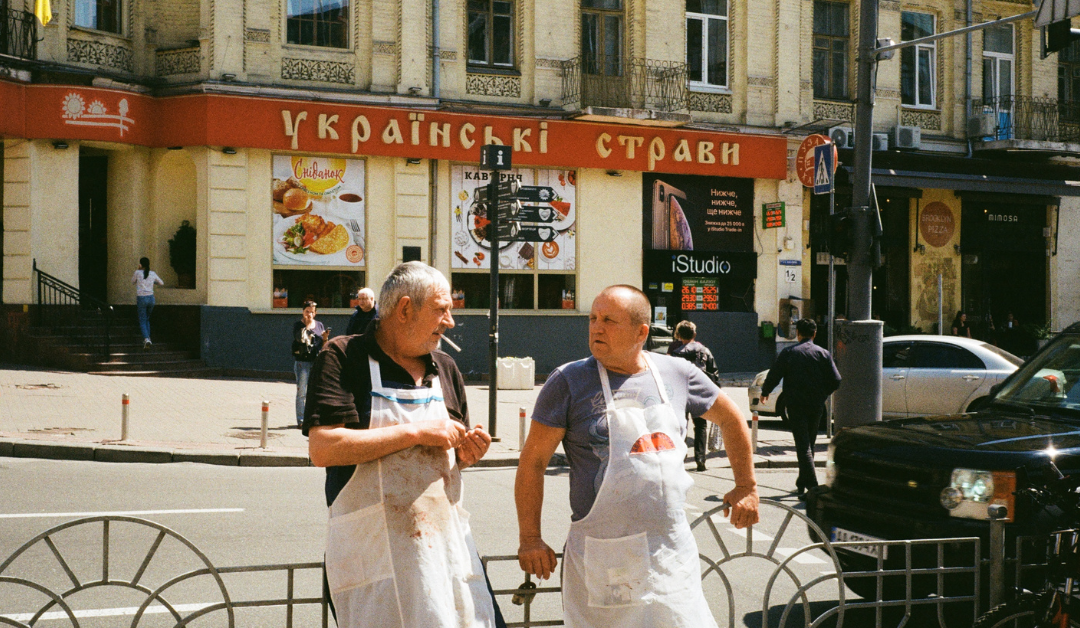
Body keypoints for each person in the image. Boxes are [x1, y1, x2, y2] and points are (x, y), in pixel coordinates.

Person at [515, 284, 759, 628]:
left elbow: (732, 418)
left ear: (641, 331)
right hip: (605, 557)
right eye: (593, 318)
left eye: (609, 320)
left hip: (671, 553)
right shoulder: (568, 382)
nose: (596, 327)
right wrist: (530, 538)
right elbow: (533, 461)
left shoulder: (678, 373)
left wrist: (746, 485)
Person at [303, 262, 503, 628]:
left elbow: (448, 460)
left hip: (445, 550)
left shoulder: (445, 368)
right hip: (374, 554)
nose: (450, 322)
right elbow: (324, 448)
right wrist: (418, 433)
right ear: (406, 309)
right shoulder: (342, 356)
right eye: (442, 310)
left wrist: (465, 454)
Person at [760, 318, 841, 498]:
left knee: (803, 446)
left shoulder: (789, 352)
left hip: (795, 405)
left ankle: (812, 488)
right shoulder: (823, 353)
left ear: (798, 334)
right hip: (816, 405)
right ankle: (802, 481)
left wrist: (765, 391)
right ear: (814, 334)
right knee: (808, 444)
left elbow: (775, 374)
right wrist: (823, 394)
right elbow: (836, 380)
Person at [667, 320, 720, 471]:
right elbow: (714, 372)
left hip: (679, 393)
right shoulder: (704, 350)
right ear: (694, 334)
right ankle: (701, 460)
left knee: (680, 426)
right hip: (700, 393)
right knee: (701, 426)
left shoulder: (674, 350)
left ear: (678, 334)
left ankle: (680, 458)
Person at [292, 301, 328, 428]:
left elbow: (323, 346)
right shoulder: (298, 325)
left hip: (316, 361)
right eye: (307, 311)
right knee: (302, 392)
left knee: (316, 391)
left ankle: (314, 418)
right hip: (302, 362)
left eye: (312, 312)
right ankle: (301, 420)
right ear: (303, 311)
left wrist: (325, 338)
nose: (309, 314)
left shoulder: (319, 325)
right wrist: (307, 327)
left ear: (315, 313)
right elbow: (300, 340)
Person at [131, 257, 164, 349]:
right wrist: (153, 282)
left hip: (141, 298)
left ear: (140, 264)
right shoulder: (152, 273)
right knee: (147, 319)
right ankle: (148, 338)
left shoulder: (137, 273)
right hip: (151, 298)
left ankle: (146, 339)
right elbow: (161, 283)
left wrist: (138, 270)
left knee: (142, 319)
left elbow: (132, 281)